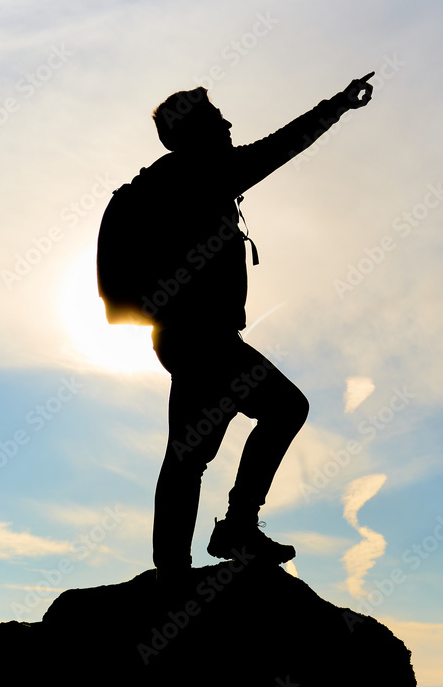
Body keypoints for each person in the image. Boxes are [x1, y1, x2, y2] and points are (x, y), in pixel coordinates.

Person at [98, 73, 375, 585]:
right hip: (205, 340)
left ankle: (177, 568)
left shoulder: (159, 183)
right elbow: (280, 147)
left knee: (190, 453)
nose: (227, 123)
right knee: (282, 409)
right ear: (195, 132)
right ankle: (229, 533)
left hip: (183, 339)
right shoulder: (201, 173)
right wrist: (337, 105)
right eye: (216, 118)